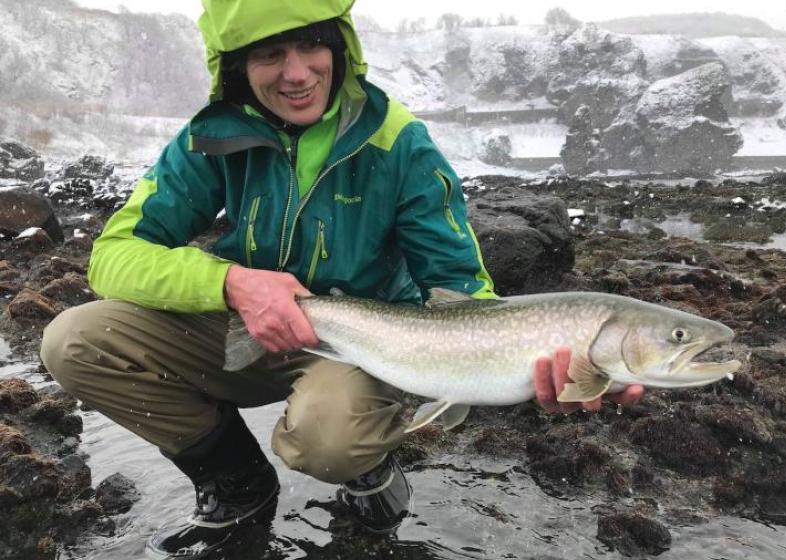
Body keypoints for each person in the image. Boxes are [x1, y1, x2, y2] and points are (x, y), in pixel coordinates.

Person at [40, 1, 643, 558]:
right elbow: (113, 256)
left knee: (327, 441)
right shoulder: (211, 137)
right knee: (74, 342)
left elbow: (464, 289)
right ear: (237, 68)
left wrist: (546, 363)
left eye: (310, 47)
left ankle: (368, 471)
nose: (296, 73)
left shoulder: (399, 143)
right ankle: (237, 482)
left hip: (365, 349)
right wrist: (233, 285)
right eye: (269, 54)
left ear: (340, 47)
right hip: (244, 324)